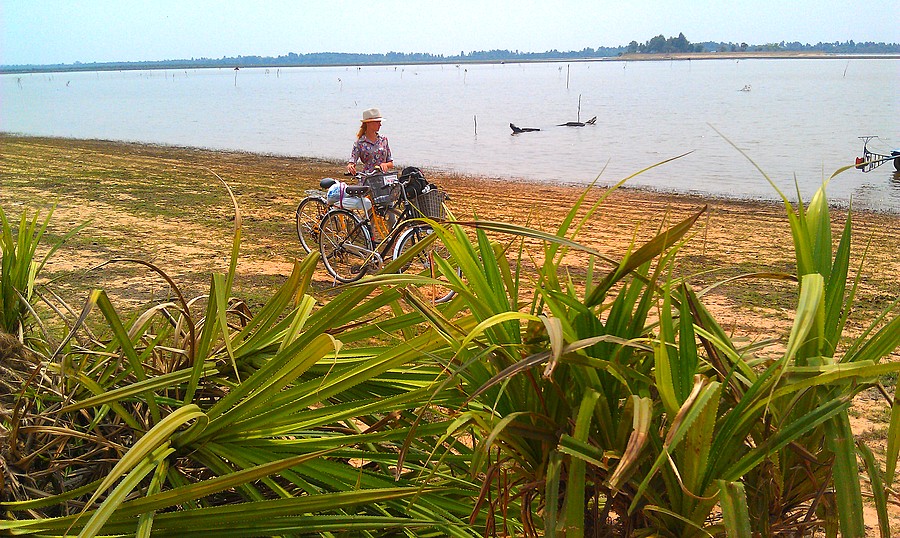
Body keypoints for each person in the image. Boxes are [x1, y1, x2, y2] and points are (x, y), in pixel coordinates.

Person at [346, 108, 393, 178]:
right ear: (369, 123)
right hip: (368, 178)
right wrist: (350, 166)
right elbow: (352, 160)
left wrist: (385, 165)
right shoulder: (360, 143)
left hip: (383, 178)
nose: (380, 125)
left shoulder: (383, 140)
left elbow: (391, 163)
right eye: (377, 122)